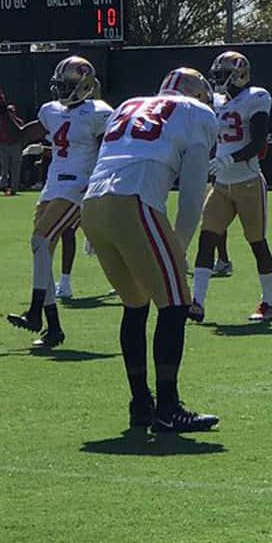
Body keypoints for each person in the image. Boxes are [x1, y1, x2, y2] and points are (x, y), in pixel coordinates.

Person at [82, 67, 221, 433]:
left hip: (92, 205)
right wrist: (180, 248)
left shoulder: (128, 104)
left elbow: (106, 161)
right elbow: (191, 198)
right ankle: (169, 407)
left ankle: (141, 402)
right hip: (134, 203)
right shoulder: (198, 114)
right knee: (175, 304)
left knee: (135, 304)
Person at [5, 57, 112, 347]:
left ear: (84, 85)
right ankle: (52, 327)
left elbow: (108, 152)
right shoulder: (51, 111)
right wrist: (2, 107)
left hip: (78, 186)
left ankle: (36, 311)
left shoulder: (99, 112)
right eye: (60, 85)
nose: (61, 91)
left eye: (67, 85)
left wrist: (96, 186)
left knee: (41, 241)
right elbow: (18, 135)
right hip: (53, 186)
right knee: (40, 249)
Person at [190, 51, 272, 325]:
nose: (218, 81)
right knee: (206, 239)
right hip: (222, 185)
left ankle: (268, 303)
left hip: (248, 182)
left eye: (222, 75)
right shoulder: (215, 102)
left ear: (240, 74)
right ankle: (197, 303)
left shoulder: (257, 97)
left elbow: (259, 142)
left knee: (257, 243)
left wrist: (229, 157)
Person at [0, 101, 25, 196]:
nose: (10, 113)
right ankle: (3, 186)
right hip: (3, 146)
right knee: (4, 168)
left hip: (15, 146)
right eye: (9, 111)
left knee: (15, 168)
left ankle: (14, 188)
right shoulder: (2, 121)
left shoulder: (19, 122)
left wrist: (21, 147)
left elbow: (22, 135)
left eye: (12, 111)